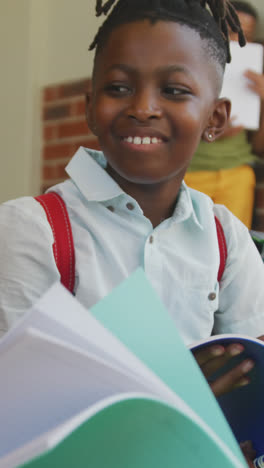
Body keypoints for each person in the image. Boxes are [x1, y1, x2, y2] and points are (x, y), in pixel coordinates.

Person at [0, 0, 264, 463]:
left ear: (215, 119)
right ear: (88, 107)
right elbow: (14, 411)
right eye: (119, 87)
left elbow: (248, 378)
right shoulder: (33, 229)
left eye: (175, 90)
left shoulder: (227, 239)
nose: (143, 108)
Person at [184, 0, 264, 229]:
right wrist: (209, 130)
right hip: (190, 174)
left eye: (245, 36)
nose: (237, 41)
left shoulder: (253, 76)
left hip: (236, 173)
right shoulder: (188, 66)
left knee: (232, 252)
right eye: (229, 32)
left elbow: (259, 147)